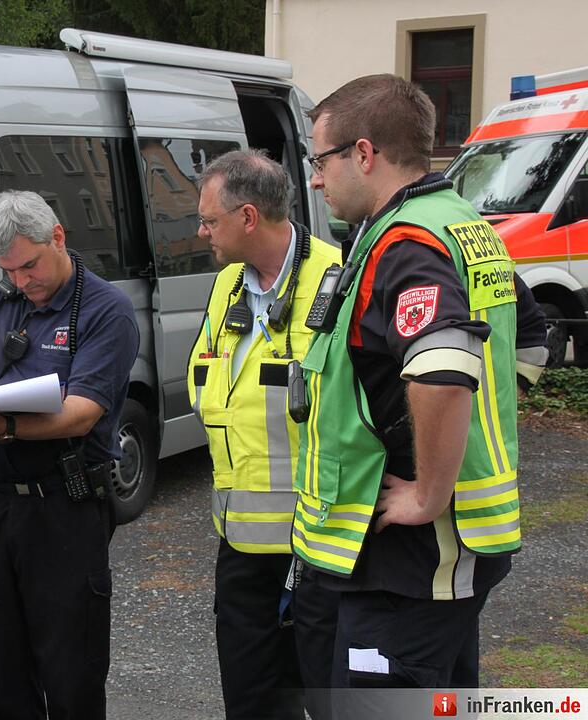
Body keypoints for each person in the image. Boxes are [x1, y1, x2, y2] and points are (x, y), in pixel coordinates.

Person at [291, 74, 547, 700]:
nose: (315, 178)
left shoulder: (406, 244)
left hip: (413, 553)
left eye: (319, 159)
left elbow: (442, 366)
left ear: (363, 153)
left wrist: (430, 489)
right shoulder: (462, 223)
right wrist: (471, 433)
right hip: (446, 550)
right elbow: (532, 340)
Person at [0, 190, 140, 720]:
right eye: (9, 270)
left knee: (71, 670)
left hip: (65, 507)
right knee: (2, 669)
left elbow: (81, 412)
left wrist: (5, 424)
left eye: (29, 266)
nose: (21, 281)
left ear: (58, 237)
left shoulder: (105, 309)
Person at [185, 150, 341, 720]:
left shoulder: (336, 279)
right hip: (241, 543)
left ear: (248, 217)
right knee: (250, 700)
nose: (202, 232)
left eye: (210, 220)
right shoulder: (227, 284)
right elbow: (210, 378)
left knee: (323, 696)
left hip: (317, 545)